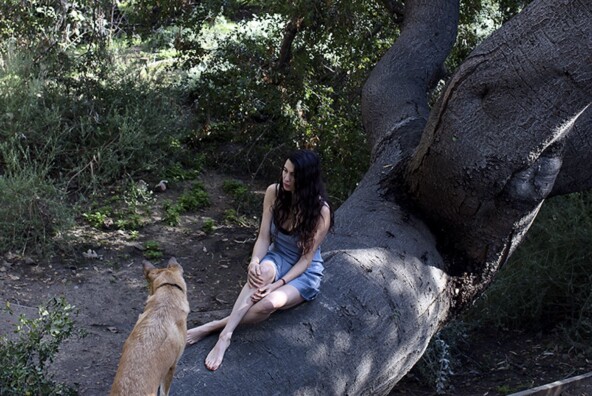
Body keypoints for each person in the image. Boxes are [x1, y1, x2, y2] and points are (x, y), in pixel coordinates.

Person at [186, 149, 334, 371]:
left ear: (306, 178)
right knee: (260, 274)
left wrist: (277, 284)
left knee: (268, 303)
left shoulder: (321, 211)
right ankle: (225, 337)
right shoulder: (273, 193)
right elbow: (264, 237)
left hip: (303, 272)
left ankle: (213, 326)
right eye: (285, 171)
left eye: (293, 175)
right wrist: (254, 262)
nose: (286, 178)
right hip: (278, 256)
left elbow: (305, 260)